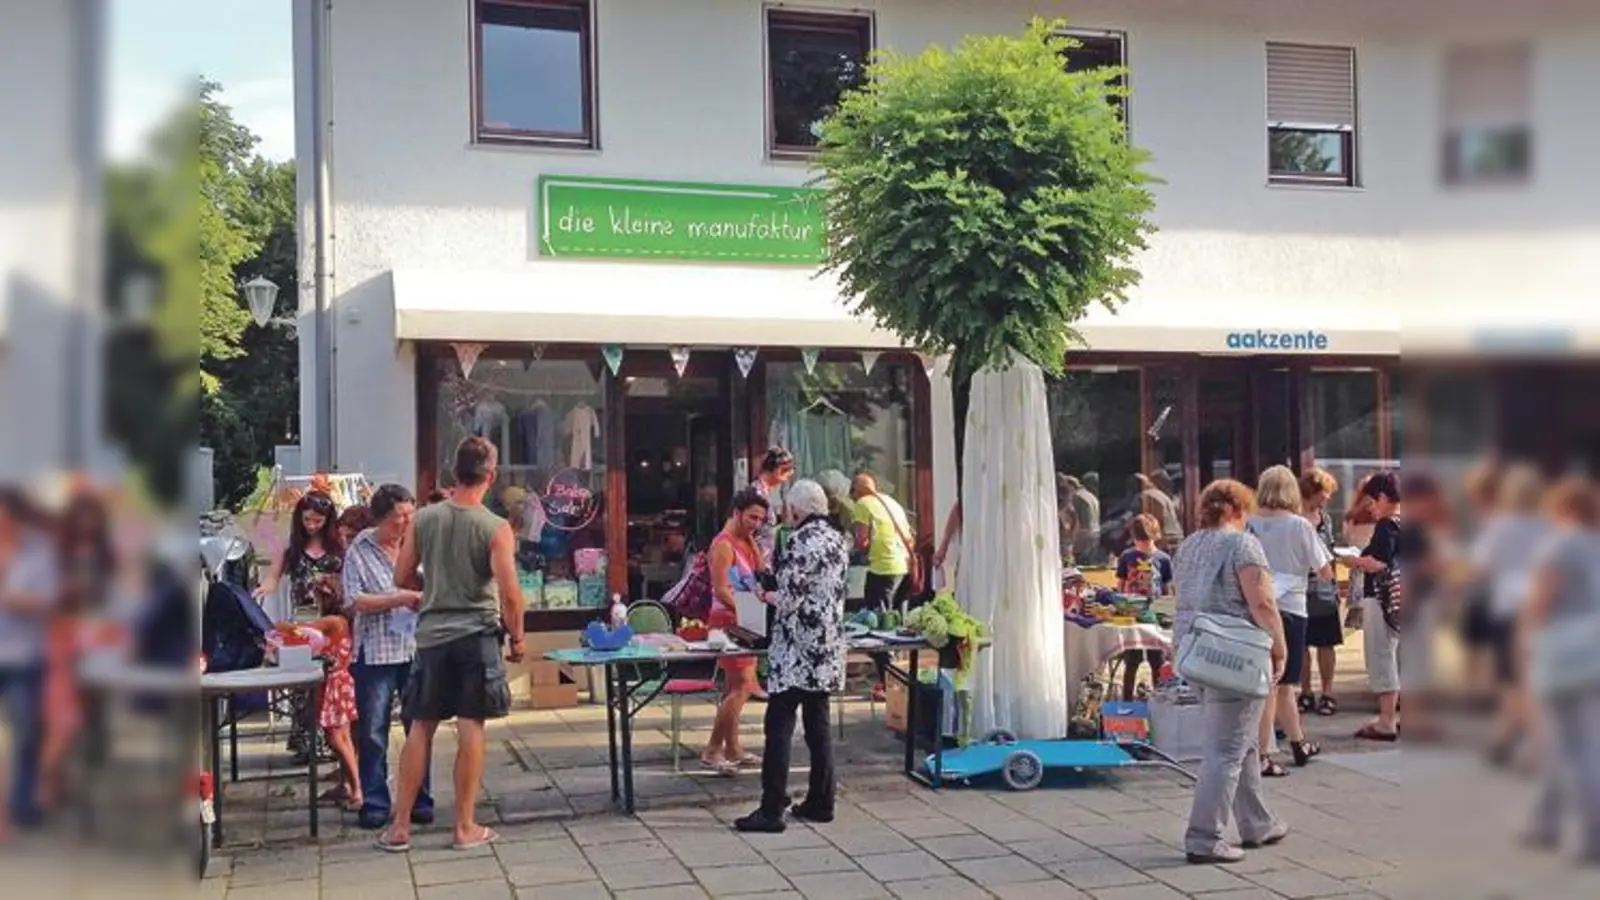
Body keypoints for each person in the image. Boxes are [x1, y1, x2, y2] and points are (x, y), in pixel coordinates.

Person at [380, 437, 525, 852]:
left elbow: (401, 577)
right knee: (470, 726)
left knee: (420, 727)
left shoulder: (424, 519)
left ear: (453, 471)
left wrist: (435, 589)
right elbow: (511, 592)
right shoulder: (494, 527)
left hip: (431, 637)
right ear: (491, 476)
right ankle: (464, 827)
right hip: (476, 635)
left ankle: (400, 828)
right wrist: (516, 637)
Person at [1175, 479, 1288, 865]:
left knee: (1243, 741)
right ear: (1240, 509)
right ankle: (1204, 838)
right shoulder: (1243, 544)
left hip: (1195, 653)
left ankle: (1257, 822)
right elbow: (1262, 603)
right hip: (1234, 655)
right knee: (1225, 750)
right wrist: (1280, 647)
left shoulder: (1188, 545)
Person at [735, 480, 849, 833]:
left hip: (798, 649)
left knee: (779, 727)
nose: (785, 514)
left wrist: (763, 592)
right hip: (827, 646)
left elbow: (789, 601)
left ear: (797, 510)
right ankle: (821, 801)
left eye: (787, 508)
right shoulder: (837, 540)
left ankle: (771, 810)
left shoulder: (800, 541)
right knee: (818, 727)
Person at [342, 483, 434, 831]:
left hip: (415, 647)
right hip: (376, 652)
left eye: (412, 514)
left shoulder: (419, 544)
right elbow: (354, 601)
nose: (407, 522)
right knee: (373, 731)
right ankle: (376, 803)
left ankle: (420, 800)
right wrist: (400, 598)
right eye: (400, 517)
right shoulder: (359, 550)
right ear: (381, 519)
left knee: (419, 727)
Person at [1521, 476, 1600, 863]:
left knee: (1573, 746)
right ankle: (1545, 820)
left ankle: (1592, 834)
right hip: (1594, 647)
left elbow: (1541, 602)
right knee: (1569, 740)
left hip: (1562, 650)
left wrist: (1525, 641)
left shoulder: (1560, 546)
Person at [1246, 466, 1333, 775]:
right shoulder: (1300, 526)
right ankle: (1265, 753)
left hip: (1257, 606)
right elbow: (1325, 570)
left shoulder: (1249, 524)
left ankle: (1296, 742)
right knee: (1284, 684)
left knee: (1270, 682)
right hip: (1293, 608)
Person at [254, 490, 345, 764]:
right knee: (303, 682)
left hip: (334, 623)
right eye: (307, 520)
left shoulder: (339, 547)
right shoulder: (290, 548)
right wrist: (263, 589)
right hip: (303, 625)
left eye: (318, 520)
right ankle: (306, 741)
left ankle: (333, 741)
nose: (312, 525)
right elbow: (273, 577)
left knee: (332, 682)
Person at [37, 492, 114, 812]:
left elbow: (113, 593)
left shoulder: (104, 555)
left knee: (94, 701)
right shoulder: (59, 554)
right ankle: (58, 782)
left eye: (91, 518)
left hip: (96, 634)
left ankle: (91, 762)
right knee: (62, 713)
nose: (86, 524)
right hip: (64, 635)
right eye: (81, 518)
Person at [1469, 464, 1548, 765]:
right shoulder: (1547, 525)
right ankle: (1503, 738)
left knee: (1514, 681)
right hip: (1540, 608)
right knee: (1523, 680)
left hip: (1508, 606)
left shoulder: (1502, 527)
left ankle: (1536, 746)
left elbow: (1481, 565)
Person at [276, 575, 362, 812]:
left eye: (318, 597)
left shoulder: (333, 621)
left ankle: (357, 789)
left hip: (335, 683)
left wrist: (278, 627)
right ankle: (347, 785)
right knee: (343, 737)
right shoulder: (342, 621)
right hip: (341, 682)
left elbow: (298, 631)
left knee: (336, 738)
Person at [700, 488, 770, 776]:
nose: (756, 524)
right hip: (727, 621)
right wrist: (746, 609)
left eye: (761, 520)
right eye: (752, 517)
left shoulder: (744, 542)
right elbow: (720, 588)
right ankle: (713, 749)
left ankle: (733, 747)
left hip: (744, 620)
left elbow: (763, 573)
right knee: (741, 687)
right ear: (737, 512)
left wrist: (753, 543)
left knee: (737, 687)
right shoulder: (723, 545)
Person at [0, 490, 56, 833]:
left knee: (25, 732)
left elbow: (50, 601)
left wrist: (14, 599)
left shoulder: (37, 554)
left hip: (24, 656)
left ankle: (22, 805)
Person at [1347, 472, 1403, 742]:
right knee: (1394, 654)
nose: (1370, 506)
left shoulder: (1386, 526)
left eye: (1372, 499)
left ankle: (1386, 720)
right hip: (1400, 599)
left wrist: (1353, 561)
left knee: (1381, 656)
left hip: (1381, 598)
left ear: (1382, 497)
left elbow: (1379, 562)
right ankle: (1390, 717)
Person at [851, 473, 914, 701]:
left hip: (883, 569)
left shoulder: (863, 504)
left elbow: (862, 541)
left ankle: (888, 683)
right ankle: (898, 681)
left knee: (875, 628)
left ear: (858, 490)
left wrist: (851, 551)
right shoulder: (892, 502)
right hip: (903, 568)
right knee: (896, 628)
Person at [1297, 468, 1344, 717]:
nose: (1328, 498)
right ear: (1312, 492)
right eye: (1325, 492)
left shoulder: (1325, 519)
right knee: (1302, 643)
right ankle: (1305, 692)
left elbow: (1329, 552)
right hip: (1300, 589)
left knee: (1327, 643)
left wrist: (1335, 586)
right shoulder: (1294, 518)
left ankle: (1328, 692)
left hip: (1325, 589)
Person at [1116, 513, 1173, 701]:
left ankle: (1159, 699)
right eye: (1140, 541)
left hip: (1154, 616)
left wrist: (1167, 614)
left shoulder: (1163, 559)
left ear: (1155, 537)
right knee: (1131, 662)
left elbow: (1166, 588)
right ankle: (1126, 700)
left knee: (1157, 661)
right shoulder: (1127, 556)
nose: (1143, 545)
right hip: (1132, 615)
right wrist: (1119, 605)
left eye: (1147, 541)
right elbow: (1121, 583)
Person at [750, 447, 795, 565]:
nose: (788, 476)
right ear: (777, 470)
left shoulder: (766, 492)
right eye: (785, 471)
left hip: (766, 560)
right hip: (756, 563)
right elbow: (747, 533)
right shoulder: (757, 494)